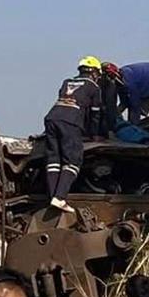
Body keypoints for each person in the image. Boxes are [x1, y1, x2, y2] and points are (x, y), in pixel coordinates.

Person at [43, 56, 104, 213]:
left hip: (52, 118)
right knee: (73, 160)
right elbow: (94, 114)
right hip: (70, 121)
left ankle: (53, 197)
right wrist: (94, 134)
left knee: (54, 159)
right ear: (95, 73)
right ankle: (60, 197)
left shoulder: (67, 82)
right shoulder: (94, 87)